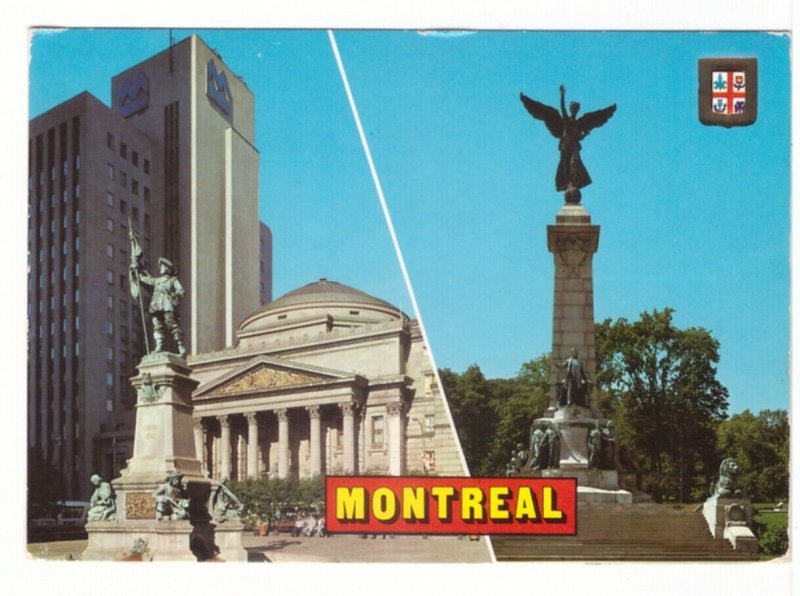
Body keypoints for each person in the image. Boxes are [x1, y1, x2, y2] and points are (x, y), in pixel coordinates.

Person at [130, 257, 186, 358]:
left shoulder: (173, 280)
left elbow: (181, 290)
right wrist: (135, 271)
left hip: (167, 305)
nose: (161, 268)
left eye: (163, 266)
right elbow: (145, 280)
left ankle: (181, 347)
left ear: (168, 269)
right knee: (157, 325)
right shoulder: (156, 281)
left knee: (171, 324)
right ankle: (159, 346)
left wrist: (175, 296)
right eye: (161, 266)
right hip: (156, 306)